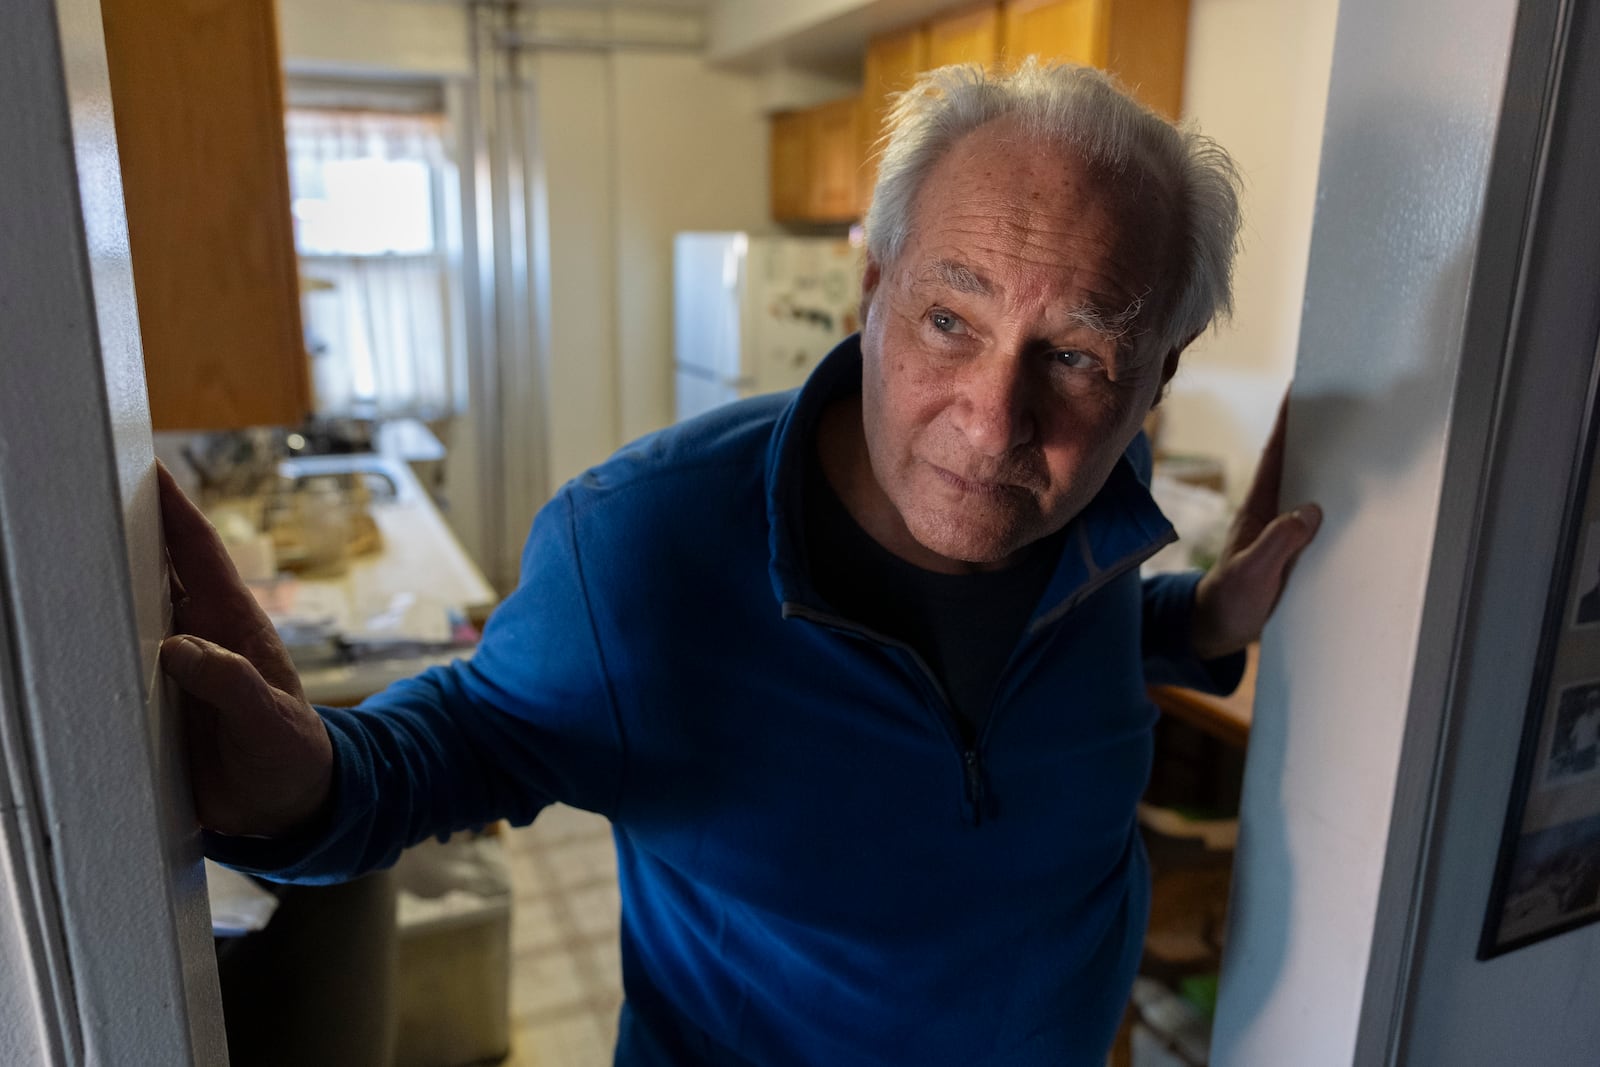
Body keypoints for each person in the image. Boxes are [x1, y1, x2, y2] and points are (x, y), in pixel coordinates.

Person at [161, 61, 1321, 1066]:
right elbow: (445, 749)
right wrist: (304, 786)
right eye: (948, 320)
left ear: (1156, 378)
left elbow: (1045, 641)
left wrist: (1201, 621)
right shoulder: (642, 549)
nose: (991, 422)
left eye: (1074, 353)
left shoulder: (1094, 511)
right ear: (871, 289)